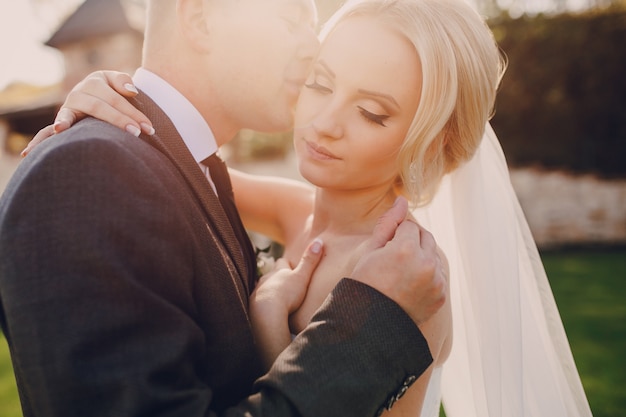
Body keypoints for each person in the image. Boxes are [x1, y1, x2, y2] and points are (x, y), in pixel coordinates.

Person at [30, 0, 595, 416]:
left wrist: (271, 326)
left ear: (434, 144)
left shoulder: (403, 281)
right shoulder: (295, 210)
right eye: (320, 84)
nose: (326, 122)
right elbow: (178, 164)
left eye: (372, 113)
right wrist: (111, 94)